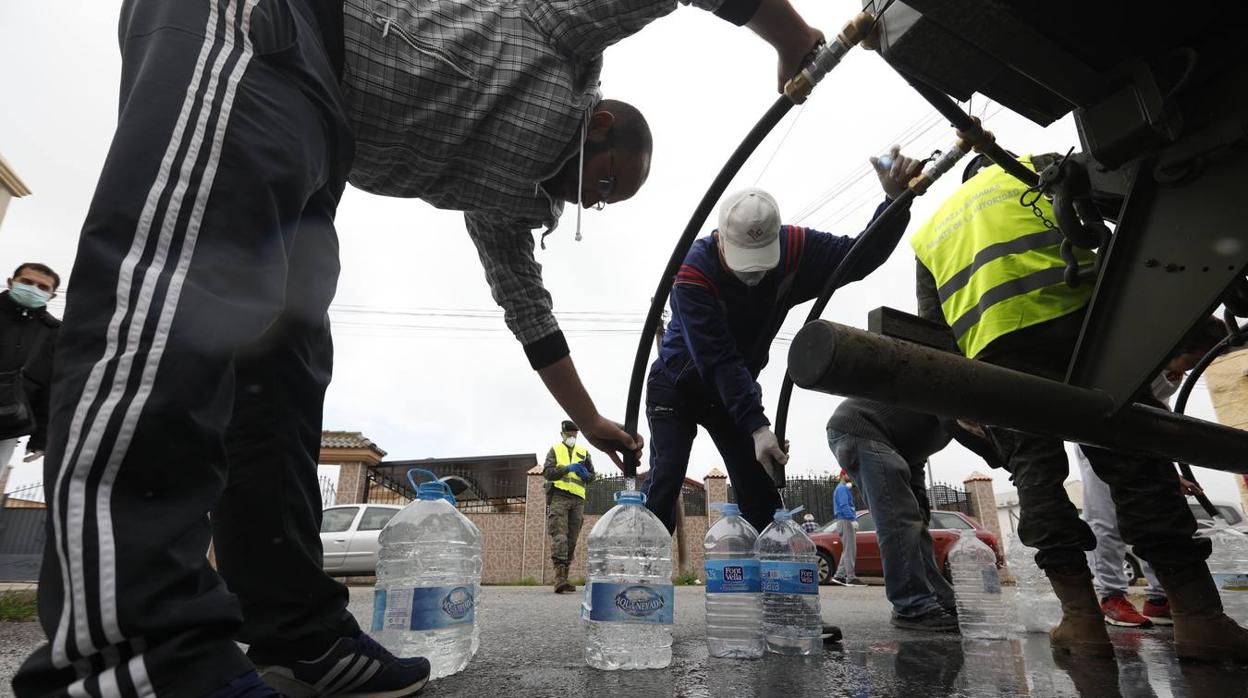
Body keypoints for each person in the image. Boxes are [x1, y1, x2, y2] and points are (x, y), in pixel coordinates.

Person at [15, 0, 827, 695]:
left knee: (283, 363)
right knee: (189, 276)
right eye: (609, 182)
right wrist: (789, 37)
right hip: (264, 27)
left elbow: (528, 314)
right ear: (602, 126)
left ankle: (296, 627)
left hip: (318, 120)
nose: (596, 201)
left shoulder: (508, 198)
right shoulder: (564, 36)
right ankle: (134, 639)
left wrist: (597, 423)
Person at [911, 153, 1248, 660]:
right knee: (1136, 465)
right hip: (1088, 329)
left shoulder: (930, 229)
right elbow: (1132, 211)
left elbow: (933, 326)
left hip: (999, 355)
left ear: (963, 180)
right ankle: (1199, 618)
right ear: (992, 163)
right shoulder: (1035, 165)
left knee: (1036, 478)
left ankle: (1082, 622)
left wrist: (961, 400)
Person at [642, 149, 923, 535]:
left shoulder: (795, 249)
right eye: (744, 263)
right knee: (665, 479)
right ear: (721, 241)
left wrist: (895, 201)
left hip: (733, 392)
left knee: (759, 493)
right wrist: (758, 426)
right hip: (678, 384)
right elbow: (718, 359)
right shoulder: (693, 274)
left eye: (762, 263)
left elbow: (857, 258)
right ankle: (638, 582)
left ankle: (770, 585)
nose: (754, 277)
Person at [1079, 317, 1227, 628]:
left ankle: (1159, 598)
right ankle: (1111, 596)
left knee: (1156, 509)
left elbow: (1158, 414)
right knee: (1106, 518)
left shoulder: (1172, 370)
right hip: (1099, 430)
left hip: (1143, 435)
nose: (1189, 370)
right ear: (1181, 344)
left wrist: (1171, 473)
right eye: (1193, 359)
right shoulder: (1138, 353)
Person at [826, 399, 958, 628]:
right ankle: (913, 606)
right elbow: (965, 427)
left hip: (886, 440)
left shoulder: (921, 427)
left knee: (915, 524)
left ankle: (938, 597)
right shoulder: (957, 404)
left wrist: (920, 506)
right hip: (861, 428)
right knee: (899, 521)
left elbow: (914, 459)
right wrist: (1001, 457)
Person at [0, 263, 61, 474]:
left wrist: (41, 437)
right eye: (26, 282)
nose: (34, 289)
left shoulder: (54, 332)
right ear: (11, 283)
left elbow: (51, 386)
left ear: (51, 296)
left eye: (43, 287)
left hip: (8, 422)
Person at [542, 420, 596, 594]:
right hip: (559, 496)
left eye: (574, 435)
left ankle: (565, 577)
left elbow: (592, 477)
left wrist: (586, 475)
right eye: (569, 435)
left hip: (578, 500)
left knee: (572, 540)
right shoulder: (555, 450)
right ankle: (559, 578)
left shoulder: (584, 453)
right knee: (560, 536)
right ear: (562, 434)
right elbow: (548, 472)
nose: (572, 438)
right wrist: (567, 469)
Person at [831, 470, 863, 586]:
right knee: (850, 550)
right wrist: (852, 519)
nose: (851, 477)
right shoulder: (842, 489)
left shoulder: (841, 489)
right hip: (846, 520)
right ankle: (850, 577)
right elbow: (844, 505)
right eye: (849, 474)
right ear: (843, 475)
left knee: (847, 549)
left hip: (843, 520)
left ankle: (839, 576)